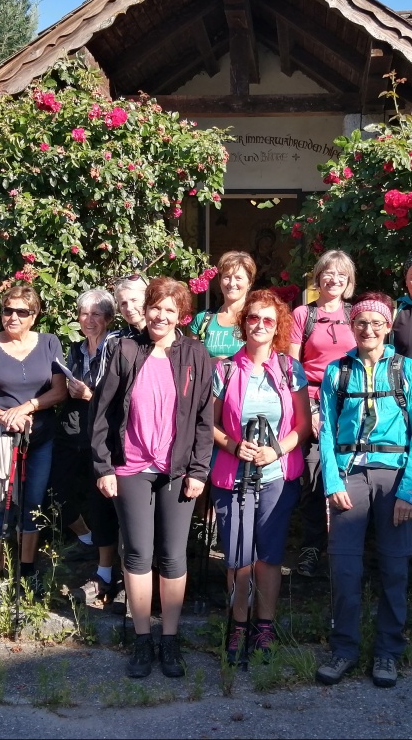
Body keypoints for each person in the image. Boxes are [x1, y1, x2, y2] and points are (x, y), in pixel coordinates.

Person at [91, 277, 214, 679]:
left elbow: (202, 419)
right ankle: (143, 639)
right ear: (145, 310)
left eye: (169, 310)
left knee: (173, 556)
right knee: (138, 554)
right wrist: (104, 467)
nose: (160, 316)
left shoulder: (195, 354)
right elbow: (104, 413)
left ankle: (170, 640)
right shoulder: (126, 349)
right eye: (155, 307)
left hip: (177, 471)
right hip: (131, 468)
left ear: (181, 316)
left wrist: (199, 470)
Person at [316, 292, 412, 689]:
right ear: (353, 326)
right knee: (345, 568)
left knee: (395, 568)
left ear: (387, 328)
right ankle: (344, 648)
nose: (369, 329)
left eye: (377, 323)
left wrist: (409, 491)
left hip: (395, 477)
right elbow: (327, 431)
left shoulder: (409, 371)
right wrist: (331, 482)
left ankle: (388, 652)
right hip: (349, 475)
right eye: (361, 322)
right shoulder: (336, 372)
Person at [212, 289, 310, 665]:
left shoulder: (289, 368)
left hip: (276, 474)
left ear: (278, 326)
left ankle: (264, 626)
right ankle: (237, 624)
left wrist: (277, 450)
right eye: (253, 318)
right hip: (232, 474)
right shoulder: (224, 368)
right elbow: (210, 424)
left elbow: (303, 426)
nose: (260, 325)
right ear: (243, 322)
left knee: (269, 556)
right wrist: (234, 446)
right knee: (238, 556)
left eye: (268, 320)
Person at [0, 285, 68, 588]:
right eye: (7, 310)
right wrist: (5, 417)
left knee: (33, 504)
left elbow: (59, 391)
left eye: (21, 311)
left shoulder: (50, 343)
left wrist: (28, 407)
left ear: (33, 316)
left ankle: (26, 570)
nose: (12, 317)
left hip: (39, 437)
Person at [287, 249, 357, 580]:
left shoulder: (356, 314)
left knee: (351, 473)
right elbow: (291, 365)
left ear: (349, 281)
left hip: (352, 403)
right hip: (313, 399)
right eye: (328, 273)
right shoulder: (304, 314)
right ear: (318, 277)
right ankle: (312, 547)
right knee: (314, 476)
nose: (334, 280)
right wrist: (309, 410)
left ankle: (346, 546)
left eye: (341, 275)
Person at [53, 290, 122, 609]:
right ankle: (85, 538)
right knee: (57, 490)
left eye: (96, 314)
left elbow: (120, 399)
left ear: (108, 319)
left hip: (103, 434)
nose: (89, 320)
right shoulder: (75, 350)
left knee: (101, 501)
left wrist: (88, 394)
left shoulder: (117, 348)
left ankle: (105, 569)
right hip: (72, 429)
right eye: (84, 314)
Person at [189, 251, 255, 361]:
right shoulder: (202, 320)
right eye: (227, 277)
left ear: (249, 282)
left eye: (238, 278)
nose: (232, 283)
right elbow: (193, 362)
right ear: (220, 281)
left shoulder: (256, 320)